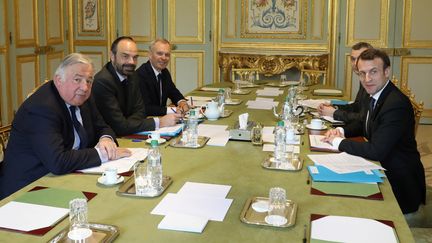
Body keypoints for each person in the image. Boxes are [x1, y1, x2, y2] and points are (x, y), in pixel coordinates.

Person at [0, 53, 131, 199]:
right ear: (58, 80)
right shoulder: (41, 108)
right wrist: (103, 154)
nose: (85, 87)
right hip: (30, 188)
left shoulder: (82, 97)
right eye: (77, 79)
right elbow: (58, 161)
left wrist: (106, 139)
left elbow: (102, 126)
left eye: (89, 80)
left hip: (69, 175)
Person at [322, 48, 426, 214]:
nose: (367, 79)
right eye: (362, 73)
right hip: (382, 168)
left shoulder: (395, 104)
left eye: (373, 72)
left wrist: (337, 142)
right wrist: (341, 131)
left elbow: (376, 151)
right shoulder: (378, 93)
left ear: (386, 71)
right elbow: (364, 123)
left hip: (399, 184)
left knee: (340, 202)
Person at [92, 36, 181, 136]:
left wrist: (127, 123)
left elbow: (140, 111)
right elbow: (119, 127)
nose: (131, 62)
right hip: (110, 140)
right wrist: (159, 122)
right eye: (125, 56)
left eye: (135, 57)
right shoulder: (103, 82)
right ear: (112, 56)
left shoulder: (132, 75)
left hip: (130, 133)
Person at [318, 42, 373, 123]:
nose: (355, 63)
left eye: (360, 58)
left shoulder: (373, 82)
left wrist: (334, 113)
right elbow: (357, 106)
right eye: (353, 59)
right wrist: (334, 107)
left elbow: (364, 118)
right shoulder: (363, 78)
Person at [134, 38, 189, 116]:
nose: (164, 58)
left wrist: (182, 102)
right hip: (146, 121)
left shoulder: (164, 72)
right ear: (150, 55)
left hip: (161, 119)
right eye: (160, 53)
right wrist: (172, 110)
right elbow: (146, 108)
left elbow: (173, 92)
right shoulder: (141, 75)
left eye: (167, 55)